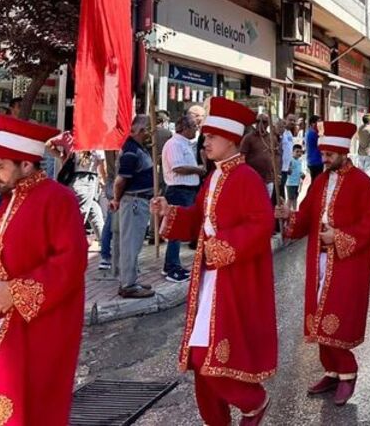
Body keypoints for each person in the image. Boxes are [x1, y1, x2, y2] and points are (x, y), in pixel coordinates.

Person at [151, 97, 276, 425]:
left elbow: (260, 224)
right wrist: (170, 212)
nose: (204, 142)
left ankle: (254, 401)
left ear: (231, 140)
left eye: (211, 137)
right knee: (199, 360)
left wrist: (221, 248)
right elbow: (198, 221)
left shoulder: (246, 177)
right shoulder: (213, 177)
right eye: (204, 136)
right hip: (209, 280)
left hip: (232, 280)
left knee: (210, 357)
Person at [0, 115, 88, 424]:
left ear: (26, 164)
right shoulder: (10, 199)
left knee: (30, 404)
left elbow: (71, 262)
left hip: (37, 327)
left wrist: (15, 292)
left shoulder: (59, 200)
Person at [277, 121, 370, 406]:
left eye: (330, 153)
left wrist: (339, 237)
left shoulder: (362, 183)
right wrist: (288, 215)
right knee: (318, 316)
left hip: (346, 263)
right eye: (323, 153)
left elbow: (368, 226)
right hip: (318, 260)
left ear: (344, 152)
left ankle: (348, 372)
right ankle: (331, 371)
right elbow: (306, 215)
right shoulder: (320, 181)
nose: (324, 158)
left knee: (337, 318)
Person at [111, 115, 156, 299]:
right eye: (146, 129)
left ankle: (129, 279)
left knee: (131, 243)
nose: (149, 132)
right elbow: (121, 180)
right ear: (139, 130)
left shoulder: (137, 148)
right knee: (130, 244)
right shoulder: (131, 150)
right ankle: (128, 284)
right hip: (134, 201)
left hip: (137, 200)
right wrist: (116, 199)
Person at [161, 115, 205, 283]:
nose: (196, 129)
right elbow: (177, 167)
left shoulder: (184, 144)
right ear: (184, 128)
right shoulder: (174, 144)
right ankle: (171, 266)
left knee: (180, 229)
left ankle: (172, 263)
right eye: (194, 126)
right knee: (176, 230)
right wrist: (197, 170)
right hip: (179, 190)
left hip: (187, 191)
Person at [71, 149, 106, 246]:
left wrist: (61, 156)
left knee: (94, 212)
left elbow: (49, 144)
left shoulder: (75, 141)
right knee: (81, 214)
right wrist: (105, 181)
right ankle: (70, 243)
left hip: (76, 179)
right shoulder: (95, 145)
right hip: (87, 180)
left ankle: (105, 244)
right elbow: (102, 166)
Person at [241, 114, 280, 199]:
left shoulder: (272, 138)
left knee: (267, 202)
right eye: (258, 121)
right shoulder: (248, 138)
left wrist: (277, 173)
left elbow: (277, 155)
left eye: (264, 122)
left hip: (268, 178)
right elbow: (242, 157)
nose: (261, 124)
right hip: (253, 178)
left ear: (268, 124)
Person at [280, 114, 300, 199]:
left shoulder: (289, 133)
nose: (292, 122)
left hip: (286, 167)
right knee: (279, 192)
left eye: (294, 121)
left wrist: (289, 165)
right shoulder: (281, 132)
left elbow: (289, 150)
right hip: (279, 168)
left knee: (282, 190)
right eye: (290, 120)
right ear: (285, 120)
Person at [286, 144, 304, 210]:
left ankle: (294, 211)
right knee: (290, 198)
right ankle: (287, 211)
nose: (299, 153)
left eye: (300, 152)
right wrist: (289, 170)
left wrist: (302, 174)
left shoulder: (299, 161)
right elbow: (288, 170)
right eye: (297, 151)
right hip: (290, 183)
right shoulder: (291, 160)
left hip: (297, 183)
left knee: (295, 198)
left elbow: (299, 170)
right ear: (292, 152)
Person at [306, 115, 323, 179]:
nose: (320, 124)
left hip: (312, 160)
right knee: (316, 181)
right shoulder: (313, 133)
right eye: (318, 122)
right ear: (312, 123)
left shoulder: (309, 132)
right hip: (316, 161)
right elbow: (321, 142)